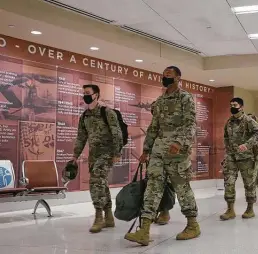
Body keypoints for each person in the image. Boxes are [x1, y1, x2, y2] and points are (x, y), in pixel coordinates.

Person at [124, 66, 200, 246]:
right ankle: (144, 230)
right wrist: (146, 150)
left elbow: (190, 124)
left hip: (177, 153)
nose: (165, 78)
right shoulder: (159, 101)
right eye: (164, 75)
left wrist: (180, 143)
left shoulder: (185, 98)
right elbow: (154, 128)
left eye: (169, 75)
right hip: (158, 152)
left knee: (182, 188)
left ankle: (193, 224)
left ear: (178, 78)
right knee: (153, 187)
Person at [73, 84, 123, 233]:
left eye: (88, 93)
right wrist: (75, 156)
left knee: (95, 181)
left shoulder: (107, 112)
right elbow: (81, 138)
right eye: (83, 93)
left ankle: (99, 216)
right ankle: (109, 216)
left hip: (107, 153)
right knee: (101, 183)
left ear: (96, 95)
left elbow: (117, 134)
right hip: (94, 155)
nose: (85, 96)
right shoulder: (84, 116)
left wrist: (117, 153)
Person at [220, 98, 258, 220]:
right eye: (231, 105)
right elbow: (226, 138)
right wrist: (227, 152)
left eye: (235, 105)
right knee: (228, 182)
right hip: (231, 157)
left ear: (242, 107)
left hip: (246, 157)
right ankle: (230, 210)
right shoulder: (229, 122)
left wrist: (247, 145)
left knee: (249, 183)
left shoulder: (248, 121)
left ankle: (250, 208)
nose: (232, 107)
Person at [148, 100, 176, 225]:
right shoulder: (153, 125)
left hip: (171, 159)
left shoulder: (173, 125)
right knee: (153, 184)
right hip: (155, 158)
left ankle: (165, 211)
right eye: (153, 111)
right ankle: (154, 211)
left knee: (167, 185)